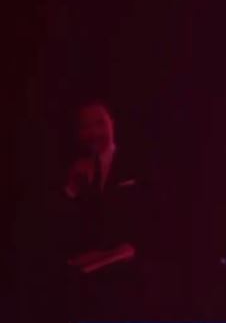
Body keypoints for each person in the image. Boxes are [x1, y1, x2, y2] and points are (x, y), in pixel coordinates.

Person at [60, 100, 142, 320]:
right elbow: (62, 227)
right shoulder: (75, 169)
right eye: (86, 126)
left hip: (132, 284)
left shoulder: (137, 161)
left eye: (99, 123)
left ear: (112, 123)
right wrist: (71, 188)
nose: (94, 132)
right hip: (88, 289)